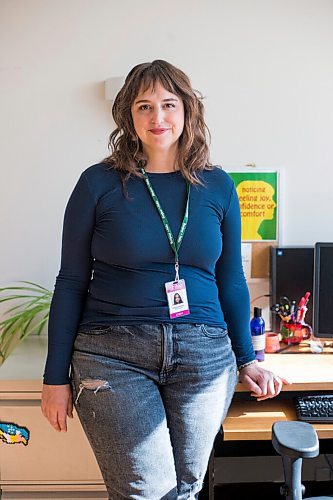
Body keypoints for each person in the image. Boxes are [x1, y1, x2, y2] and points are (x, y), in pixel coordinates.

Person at [41, 59, 286, 500]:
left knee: (188, 489)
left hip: (204, 354)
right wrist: (54, 378)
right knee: (145, 492)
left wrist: (248, 359)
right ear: (128, 117)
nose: (158, 118)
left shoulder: (218, 185)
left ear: (187, 110)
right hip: (113, 353)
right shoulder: (98, 183)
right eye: (144, 106)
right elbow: (71, 281)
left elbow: (230, 280)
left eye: (169, 105)